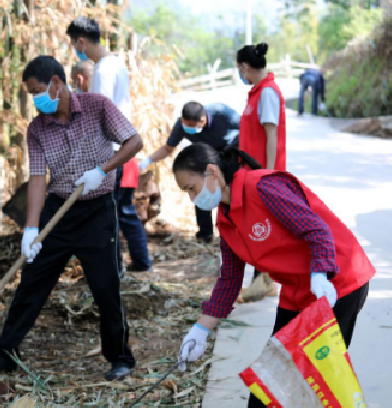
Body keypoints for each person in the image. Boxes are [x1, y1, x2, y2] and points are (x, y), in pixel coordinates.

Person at [171, 143, 374, 408]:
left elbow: (317, 231)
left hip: (336, 284)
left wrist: (320, 273)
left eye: (191, 188)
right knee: (272, 382)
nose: (192, 198)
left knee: (317, 380)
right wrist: (200, 330)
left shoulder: (263, 188)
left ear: (212, 172)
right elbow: (229, 281)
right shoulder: (226, 218)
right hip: (298, 290)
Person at [0, 55, 142, 381]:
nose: (35, 99)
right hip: (57, 213)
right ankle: (5, 354)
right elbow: (38, 179)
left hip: (98, 212)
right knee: (32, 283)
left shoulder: (98, 106)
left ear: (57, 82)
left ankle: (120, 357)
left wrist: (103, 170)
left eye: (37, 90)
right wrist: (31, 228)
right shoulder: (37, 129)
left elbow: (134, 140)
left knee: (106, 286)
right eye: (30, 94)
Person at [67, 17, 151, 273]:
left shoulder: (103, 69)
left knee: (108, 217)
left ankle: (114, 268)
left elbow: (98, 115)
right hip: (121, 150)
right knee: (121, 212)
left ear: (81, 40)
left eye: (73, 44)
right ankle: (135, 263)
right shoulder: (117, 64)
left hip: (111, 153)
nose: (75, 49)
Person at [140, 101, 240, 243]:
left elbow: (247, 133)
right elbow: (168, 148)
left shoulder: (223, 114)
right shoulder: (182, 125)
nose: (187, 129)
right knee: (199, 190)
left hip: (229, 154)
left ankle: (235, 228)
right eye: (185, 125)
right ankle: (205, 234)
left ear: (203, 120)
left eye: (191, 126)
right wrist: (147, 161)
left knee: (230, 192)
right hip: (204, 157)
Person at [237, 42, 287, 289]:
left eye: (239, 69)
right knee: (257, 225)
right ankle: (263, 279)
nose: (240, 74)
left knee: (261, 226)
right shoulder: (258, 92)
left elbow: (271, 136)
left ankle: (264, 280)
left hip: (261, 174)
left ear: (245, 66)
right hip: (251, 173)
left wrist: (266, 175)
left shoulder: (267, 92)